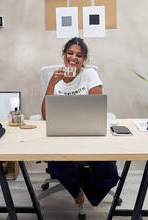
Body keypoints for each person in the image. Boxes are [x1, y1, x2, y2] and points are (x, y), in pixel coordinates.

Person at [41, 37, 119, 208]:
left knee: (110, 172)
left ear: (83, 60)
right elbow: (46, 115)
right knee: (56, 166)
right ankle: (77, 191)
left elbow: (97, 108)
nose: (73, 57)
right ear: (64, 55)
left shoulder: (89, 74)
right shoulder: (56, 79)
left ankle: (79, 184)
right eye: (70, 53)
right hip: (62, 137)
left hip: (89, 136)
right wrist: (52, 83)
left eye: (79, 55)